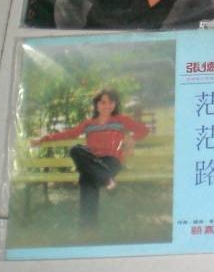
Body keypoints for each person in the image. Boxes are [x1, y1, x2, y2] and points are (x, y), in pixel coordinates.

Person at [31, 89, 149, 223]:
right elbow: (69, 134)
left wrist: (132, 138)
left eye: (111, 102)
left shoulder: (121, 120)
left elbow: (143, 130)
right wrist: (42, 140)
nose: (107, 106)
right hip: (92, 160)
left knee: (87, 179)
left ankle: (88, 228)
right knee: (75, 150)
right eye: (103, 102)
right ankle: (108, 180)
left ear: (115, 104)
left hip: (111, 161)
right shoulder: (89, 123)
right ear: (97, 104)